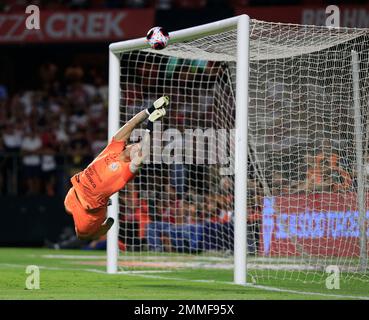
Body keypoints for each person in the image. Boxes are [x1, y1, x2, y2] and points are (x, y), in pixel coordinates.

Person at [64, 95, 169, 240]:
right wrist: (150, 110)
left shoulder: (126, 172)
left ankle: (105, 227)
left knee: (82, 235)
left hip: (91, 211)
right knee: (67, 207)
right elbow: (131, 124)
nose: (136, 147)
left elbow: (142, 155)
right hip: (75, 190)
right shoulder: (115, 147)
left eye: (138, 148)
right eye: (136, 145)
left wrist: (150, 125)